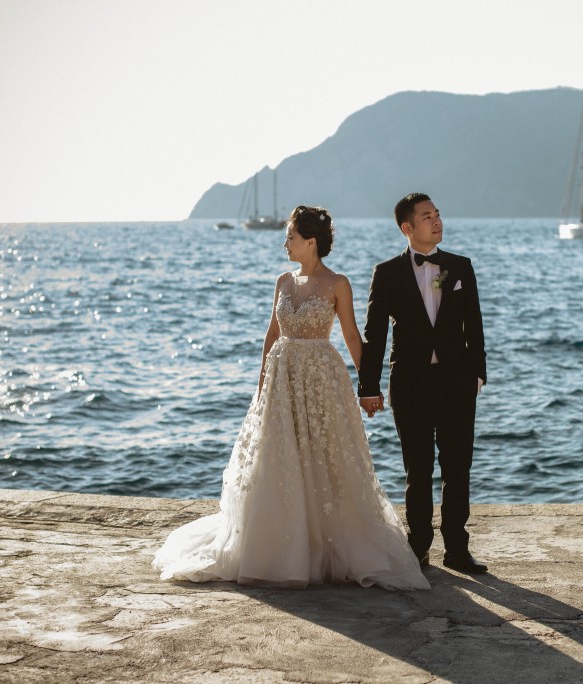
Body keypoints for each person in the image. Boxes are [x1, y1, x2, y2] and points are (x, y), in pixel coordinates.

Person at [153, 205, 430, 591]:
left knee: (323, 453)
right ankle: (278, 543)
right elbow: (271, 333)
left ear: (310, 242)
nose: (286, 243)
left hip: (321, 379)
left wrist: (369, 387)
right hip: (282, 379)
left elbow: (351, 336)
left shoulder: (338, 284)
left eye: (291, 237)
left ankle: (323, 540)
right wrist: (263, 379)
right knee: (280, 454)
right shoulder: (283, 281)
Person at [358, 193, 488, 574]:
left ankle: (458, 550)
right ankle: (417, 549)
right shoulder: (387, 273)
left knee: (457, 467)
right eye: (427, 216)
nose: (437, 221)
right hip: (410, 384)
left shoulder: (460, 267)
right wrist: (369, 386)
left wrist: (478, 372)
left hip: (457, 383)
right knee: (418, 470)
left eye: (438, 215)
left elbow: (474, 323)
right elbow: (375, 334)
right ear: (407, 228)